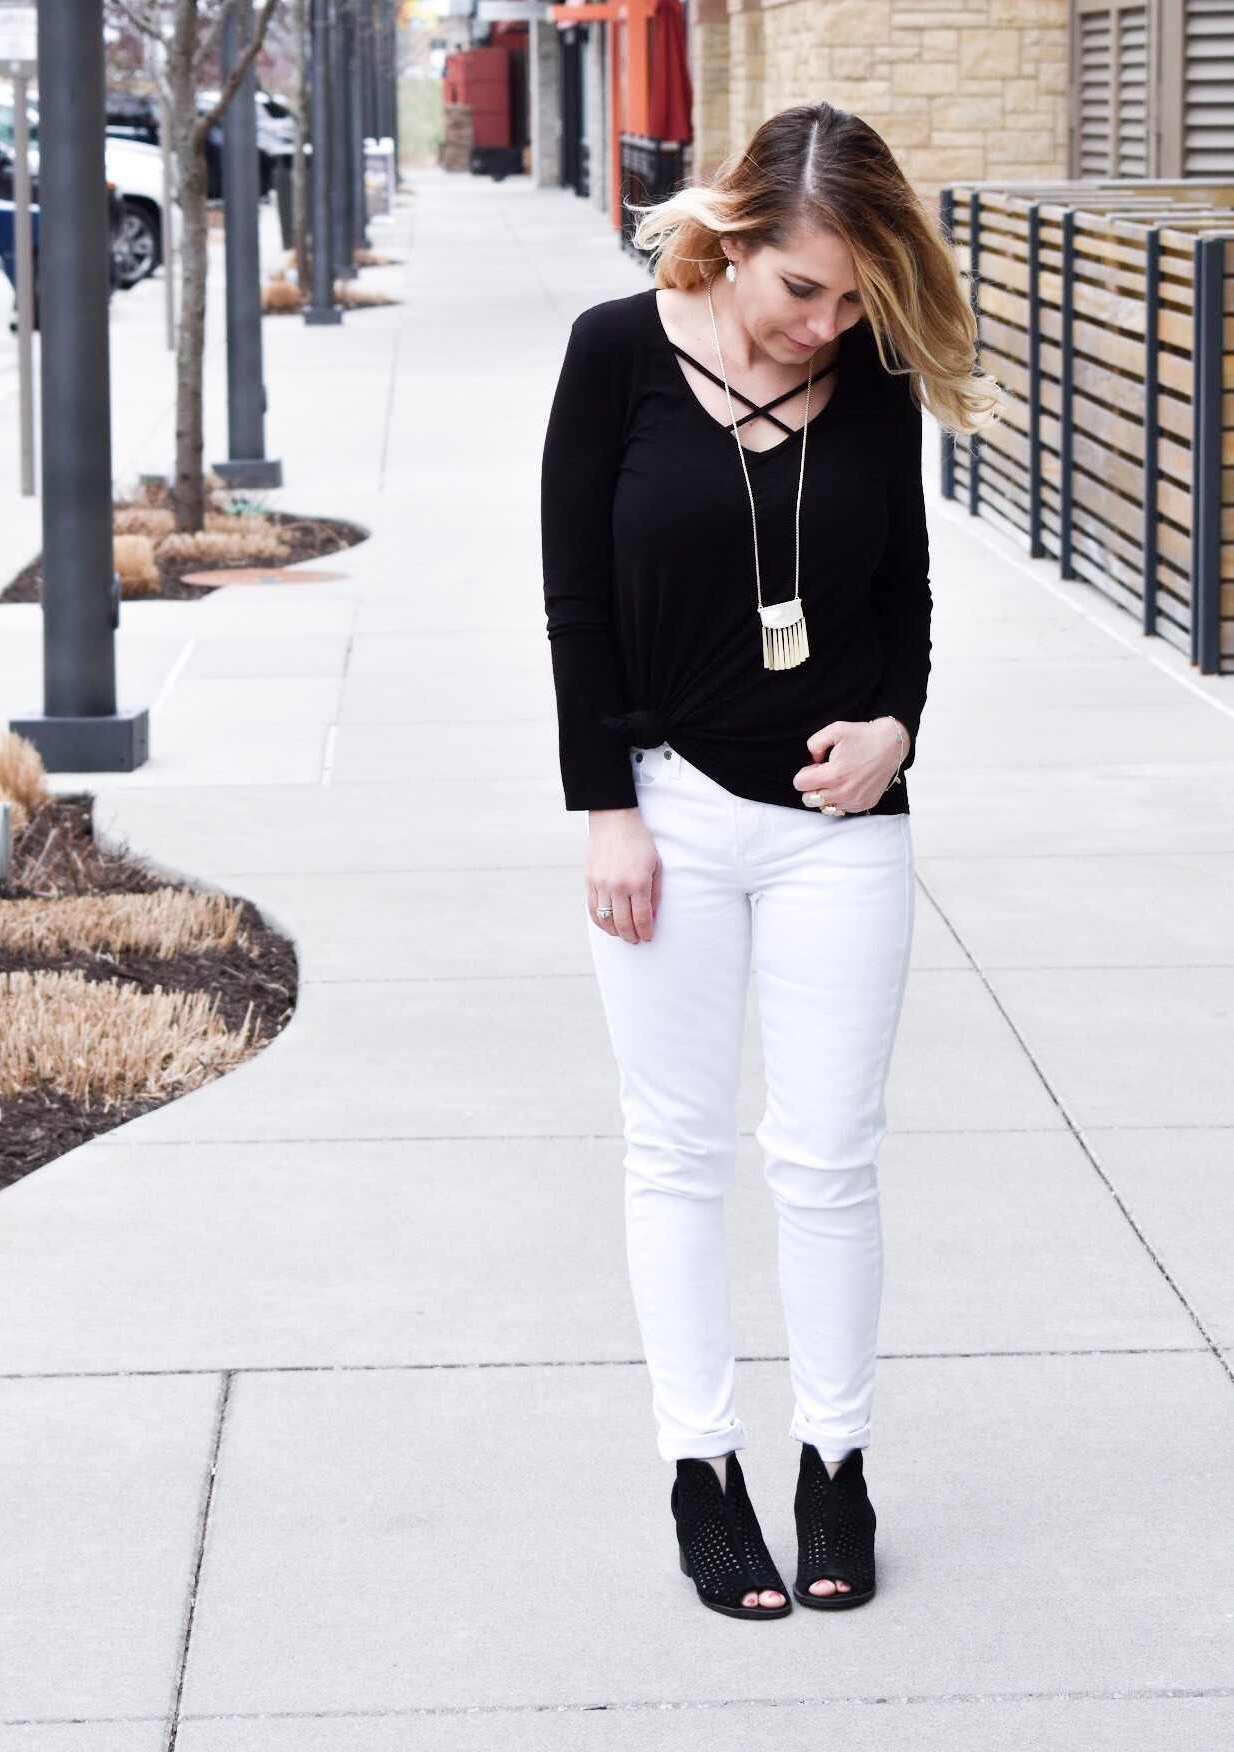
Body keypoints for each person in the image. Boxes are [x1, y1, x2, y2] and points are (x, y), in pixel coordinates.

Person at [540, 102, 999, 1620]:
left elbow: (907, 604)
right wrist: (602, 804)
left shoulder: (869, 381)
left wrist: (898, 733)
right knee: (675, 1150)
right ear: (732, 240)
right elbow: (576, 607)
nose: (831, 324)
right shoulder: (615, 355)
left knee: (826, 1158)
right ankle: (702, 1473)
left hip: (836, 835)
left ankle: (837, 1465)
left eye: (859, 297)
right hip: (663, 810)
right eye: (806, 289)